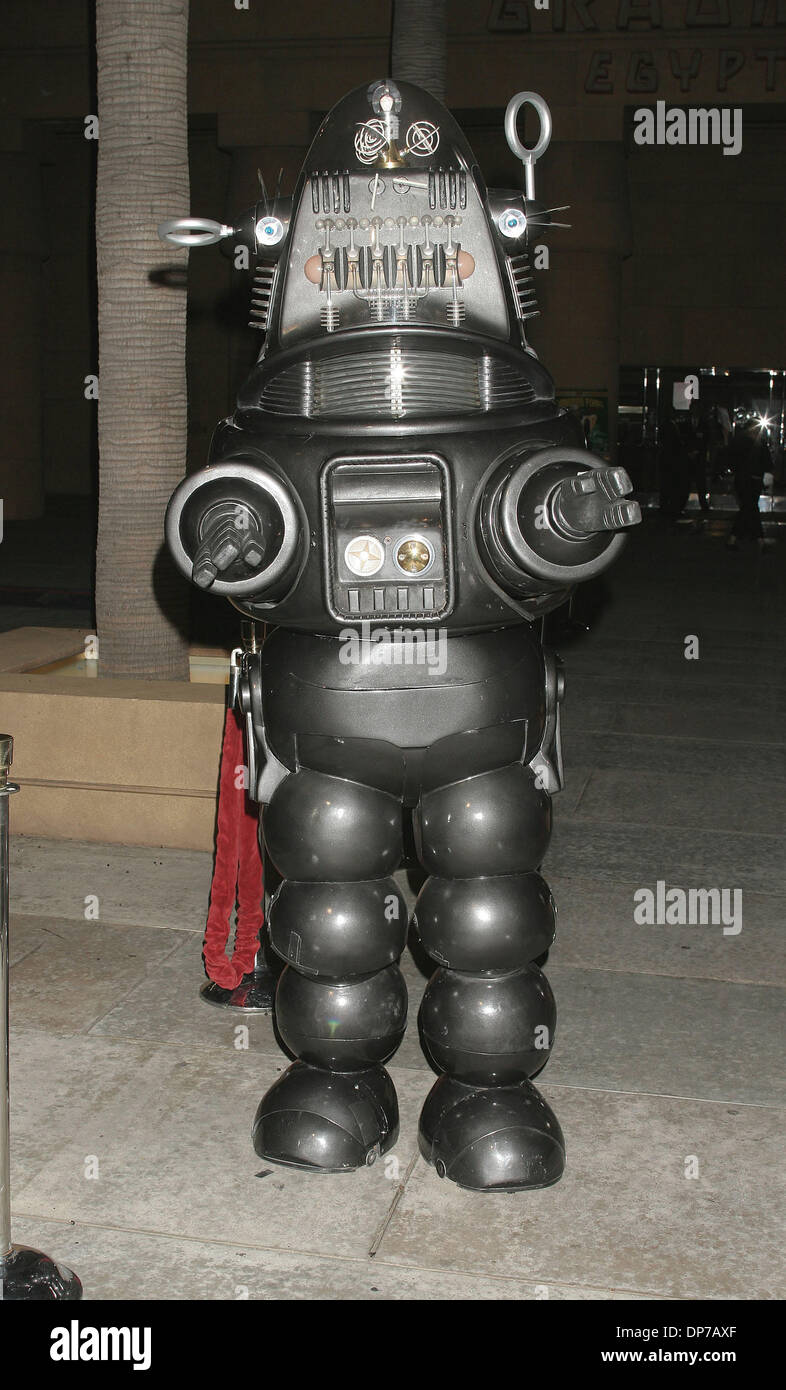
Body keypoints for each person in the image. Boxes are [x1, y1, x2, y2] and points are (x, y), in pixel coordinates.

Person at [726, 418, 774, 550]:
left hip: (742, 479)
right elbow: (767, 463)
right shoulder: (759, 444)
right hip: (754, 479)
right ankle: (753, 539)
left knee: (749, 508)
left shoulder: (738, 442)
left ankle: (746, 538)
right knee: (750, 507)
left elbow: (731, 460)